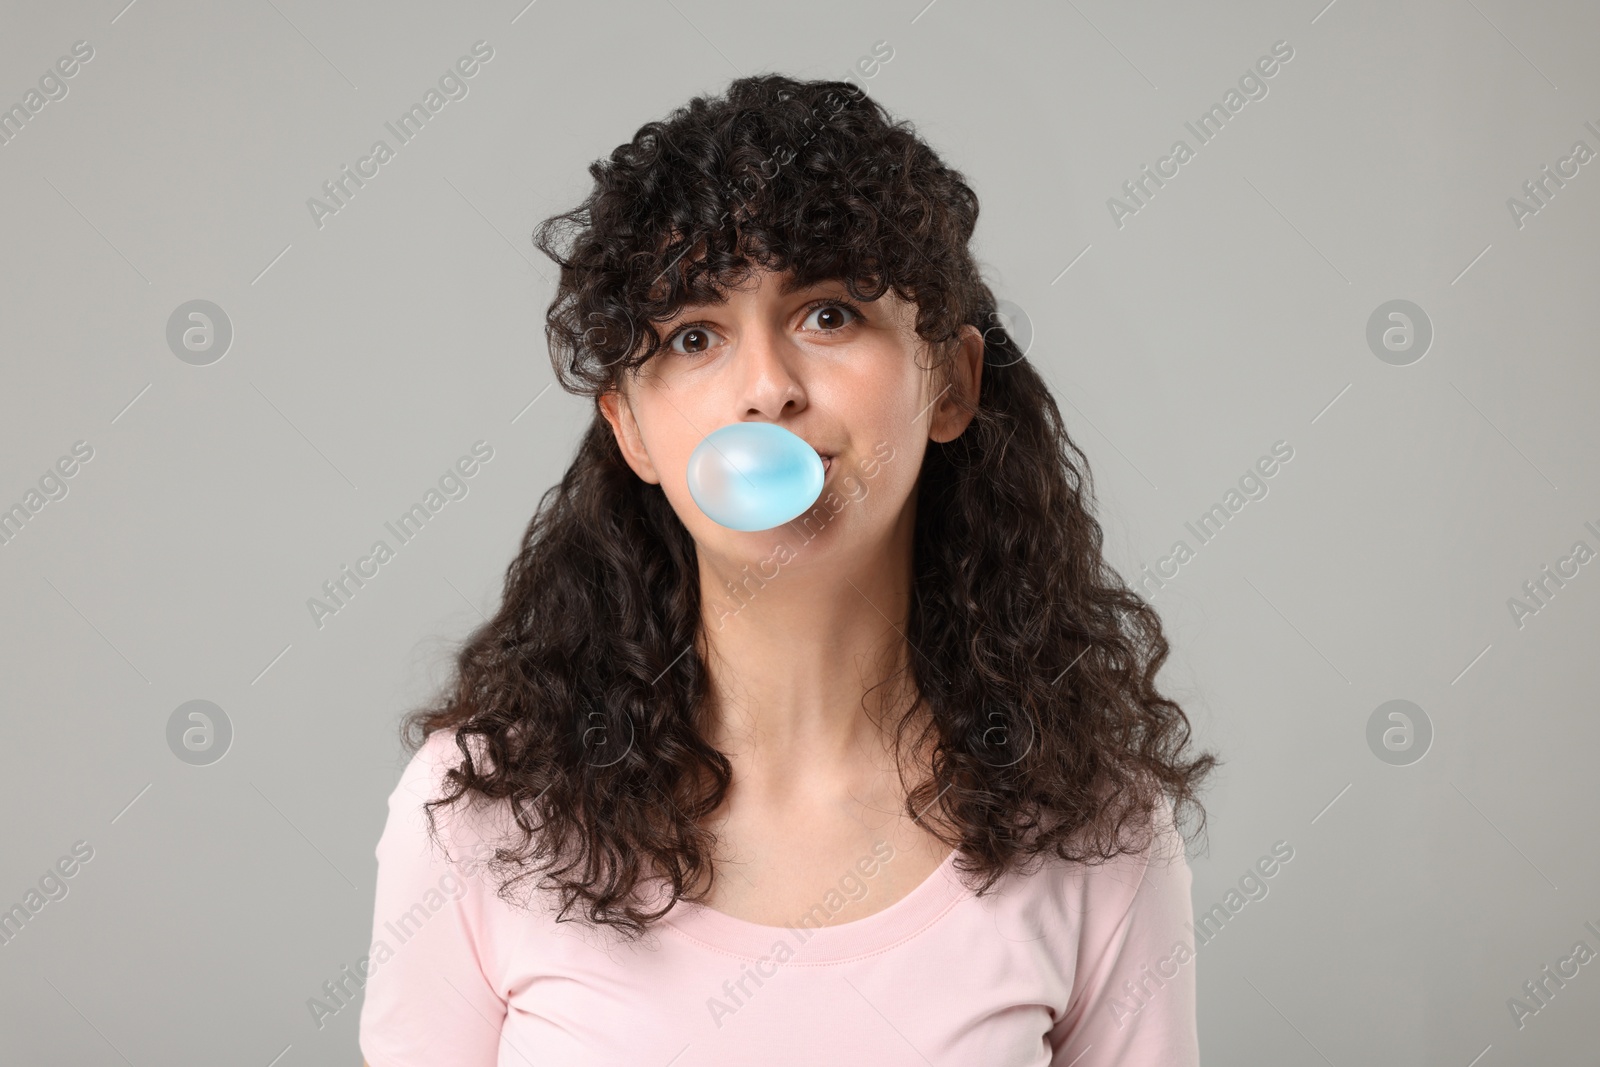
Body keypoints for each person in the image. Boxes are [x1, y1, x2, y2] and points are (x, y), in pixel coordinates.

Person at [358, 73, 1218, 1066]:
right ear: (629, 428)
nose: (766, 387)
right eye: (693, 335)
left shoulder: (1091, 823)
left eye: (828, 315)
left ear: (951, 384)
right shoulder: (482, 810)